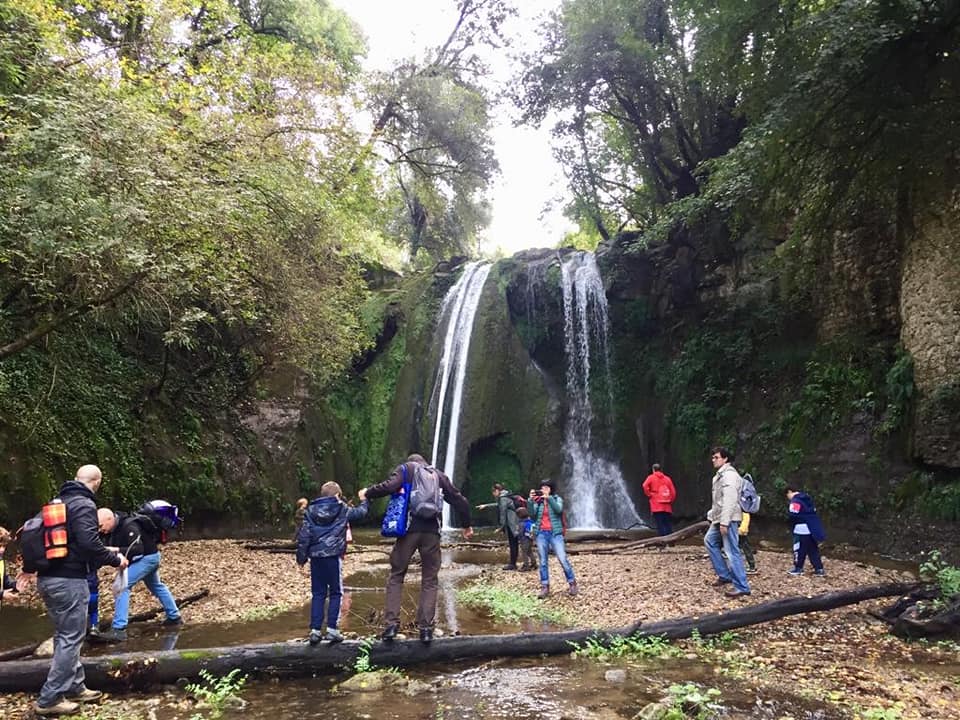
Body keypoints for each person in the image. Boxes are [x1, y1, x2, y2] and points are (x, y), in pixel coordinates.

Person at [33, 465, 129, 716]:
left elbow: (74, 543)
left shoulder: (57, 503)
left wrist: (106, 553)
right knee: (71, 637)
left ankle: (75, 686)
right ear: (97, 481)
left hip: (48, 579)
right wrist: (115, 560)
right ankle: (50, 699)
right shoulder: (84, 505)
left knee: (65, 634)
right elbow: (88, 543)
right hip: (69, 581)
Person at [362, 453, 473, 644]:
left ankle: (391, 625)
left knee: (397, 575)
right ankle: (426, 629)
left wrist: (368, 493)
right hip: (432, 532)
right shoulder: (437, 474)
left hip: (408, 531)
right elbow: (459, 499)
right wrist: (466, 524)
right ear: (424, 462)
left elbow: (388, 486)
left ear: (410, 460)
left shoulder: (406, 470)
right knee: (430, 579)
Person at [95, 502, 182, 642]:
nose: (100, 530)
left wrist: (115, 550)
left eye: (100, 526)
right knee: (156, 586)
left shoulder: (129, 526)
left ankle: (119, 629)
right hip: (152, 556)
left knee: (121, 586)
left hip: (148, 558)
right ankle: (174, 617)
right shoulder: (116, 528)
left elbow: (137, 551)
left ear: (109, 520)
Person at [296, 481, 369, 645]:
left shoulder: (310, 510)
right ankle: (332, 630)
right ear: (337, 495)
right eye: (340, 496)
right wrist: (364, 499)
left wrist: (301, 558)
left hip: (316, 557)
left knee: (318, 593)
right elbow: (360, 513)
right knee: (336, 592)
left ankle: (315, 631)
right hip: (334, 556)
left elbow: (304, 536)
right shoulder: (341, 508)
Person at [704, 448, 751, 599]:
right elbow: (718, 501)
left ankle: (742, 586)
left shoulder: (729, 476)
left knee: (732, 551)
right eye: (713, 457)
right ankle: (725, 575)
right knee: (710, 541)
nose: (713, 459)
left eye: (716, 457)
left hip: (728, 518)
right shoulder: (719, 476)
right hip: (719, 518)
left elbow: (730, 501)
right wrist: (712, 516)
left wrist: (724, 522)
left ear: (725, 459)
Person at [528, 480, 578, 599]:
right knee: (543, 562)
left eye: (546, 487)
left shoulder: (556, 499)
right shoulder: (538, 502)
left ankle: (572, 583)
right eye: (542, 487)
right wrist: (530, 501)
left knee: (562, 558)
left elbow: (558, 510)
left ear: (551, 489)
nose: (543, 489)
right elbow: (532, 515)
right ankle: (545, 586)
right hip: (541, 534)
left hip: (555, 533)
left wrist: (548, 498)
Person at [786, 486, 826, 576]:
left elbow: (793, 515)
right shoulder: (807, 499)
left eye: (787, 495)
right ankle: (819, 569)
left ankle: (798, 568)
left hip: (800, 529)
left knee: (799, 549)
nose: (788, 497)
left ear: (790, 492)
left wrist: (790, 525)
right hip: (812, 528)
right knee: (813, 549)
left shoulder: (795, 501)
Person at [642, 463, 677, 536]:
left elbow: (644, 485)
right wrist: (670, 500)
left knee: (660, 524)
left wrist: (649, 494)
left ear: (653, 470)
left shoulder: (651, 477)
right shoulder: (667, 479)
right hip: (667, 505)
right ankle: (671, 541)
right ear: (661, 470)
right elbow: (673, 492)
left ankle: (663, 541)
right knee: (668, 524)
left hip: (656, 505)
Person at [492, 483, 519, 570]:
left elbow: (503, 513)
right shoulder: (506, 496)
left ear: (497, 491)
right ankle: (515, 563)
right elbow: (499, 505)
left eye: (493, 492)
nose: (493, 494)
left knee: (513, 544)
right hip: (515, 523)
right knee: (515, 543)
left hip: (512, 524)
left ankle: (513, 564)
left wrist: (501, 527)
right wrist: (486, 506)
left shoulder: (503, 498)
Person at [0, 526, 20, 606]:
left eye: (4, 546)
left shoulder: (1, 560)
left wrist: (16, 585)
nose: (2, 550)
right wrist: (2, 594)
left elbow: (4, 581)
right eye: (0, 546)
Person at [516, 507, 537, 571]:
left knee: (524, 553)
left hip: (524, 540)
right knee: (530, 551)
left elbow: (520, 533)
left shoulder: (521, 523)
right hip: (530, 539)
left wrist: (516, 534)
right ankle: (534, 563)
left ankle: (526, 566)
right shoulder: (530, 521)